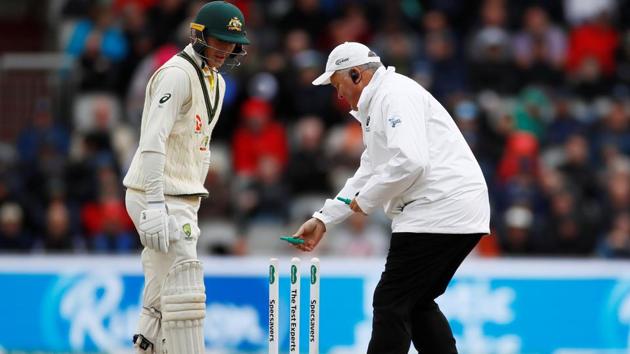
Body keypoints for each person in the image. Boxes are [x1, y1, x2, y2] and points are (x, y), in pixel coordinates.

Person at [292, 42, 491, 354]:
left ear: (356, 75)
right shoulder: (380, 102)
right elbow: (370, 169)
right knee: (415, 303)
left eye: (338, 83)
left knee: (391, 300)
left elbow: (411, 162)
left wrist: (366, 201)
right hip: (452, 207)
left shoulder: (394, 96)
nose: (338, 94)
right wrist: (324, 218)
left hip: (440, 206)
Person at [122, 2, 249, 353]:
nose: (225, 49)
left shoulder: (218, 82)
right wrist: (153, 203)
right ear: (199, 35)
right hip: (157, 193)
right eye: (219, 41)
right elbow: (152, 140)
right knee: (185, 289)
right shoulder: (176, 74)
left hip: (183, 197)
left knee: (161, 293)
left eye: (231, 43)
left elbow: (197, 145)